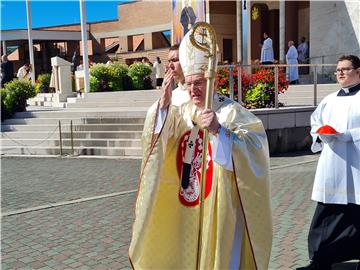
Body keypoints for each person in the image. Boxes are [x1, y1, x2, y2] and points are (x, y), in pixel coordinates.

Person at [129, 29, 272, 269]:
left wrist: (219, 131)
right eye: (190, 84)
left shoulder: (232, 113)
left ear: (213, 82)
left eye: (200, 83)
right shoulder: (182, 112)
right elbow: (157, 140)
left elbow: (254, 150)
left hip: (220, 206)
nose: (193, 89)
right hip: (186, 204)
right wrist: (162, 108)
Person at [297, 55, 360, 270]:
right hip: (332, 165)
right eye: (337, 70)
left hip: (356, 165)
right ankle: (320, 260)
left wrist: (349, 135)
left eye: (345, 69)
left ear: (358, 71)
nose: (340, 73)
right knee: (326, 214)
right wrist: (321, 134)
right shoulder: (329, 99)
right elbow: (316, 122)